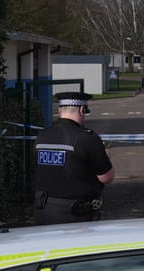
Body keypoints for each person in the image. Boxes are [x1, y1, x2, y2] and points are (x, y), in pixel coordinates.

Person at [33, 92, 115, 225]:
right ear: (82, 110)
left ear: (60, 110)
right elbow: (106, 177)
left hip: (43, 211)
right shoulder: (87, 138)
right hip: (74, 217)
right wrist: (105, 158)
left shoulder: (42, 136)